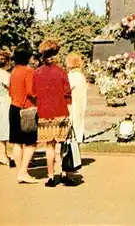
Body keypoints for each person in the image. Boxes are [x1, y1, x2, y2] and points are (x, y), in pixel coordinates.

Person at [33, 39, 76, 187]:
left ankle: (50, 177)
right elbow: (67, 94)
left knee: (49, 146)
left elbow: (33, 93)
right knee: (63, 144)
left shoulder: (37, 73)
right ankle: (65, 174)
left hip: (44, 113)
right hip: (61, 111)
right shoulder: (61, 72)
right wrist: (70, 112)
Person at [9, 41, 38, 184]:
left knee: (17, 142)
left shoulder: (13, 71)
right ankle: (23, 171)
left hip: (13, 107)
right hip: (26, 110)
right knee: (31, 142)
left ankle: (19, 171)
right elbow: (31, 92)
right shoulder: (29, 71)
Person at [0, 49, 15, 167]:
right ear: (7, 62)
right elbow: (12, 87)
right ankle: (15, 155)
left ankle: (2, 155)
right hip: (6, 101)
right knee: (10, 127)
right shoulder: (5, 75)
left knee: (0, 128)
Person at [66, 53, 87, 143]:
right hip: (80, 106)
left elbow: (65, 90)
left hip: (72, 107)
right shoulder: (80, 76)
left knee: (71, 131)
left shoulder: (73, 76)